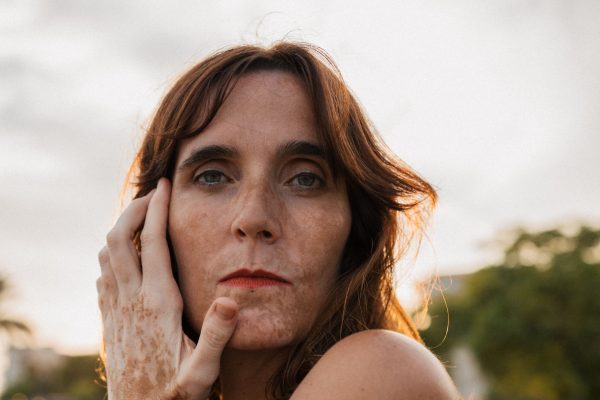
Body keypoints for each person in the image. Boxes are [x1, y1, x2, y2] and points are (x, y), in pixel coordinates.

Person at [96, 41, 460, 400]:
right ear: (153, 221)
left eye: (306, 179)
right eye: (212, 176)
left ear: (356, 229)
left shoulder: (385, 371)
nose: (254, 218)